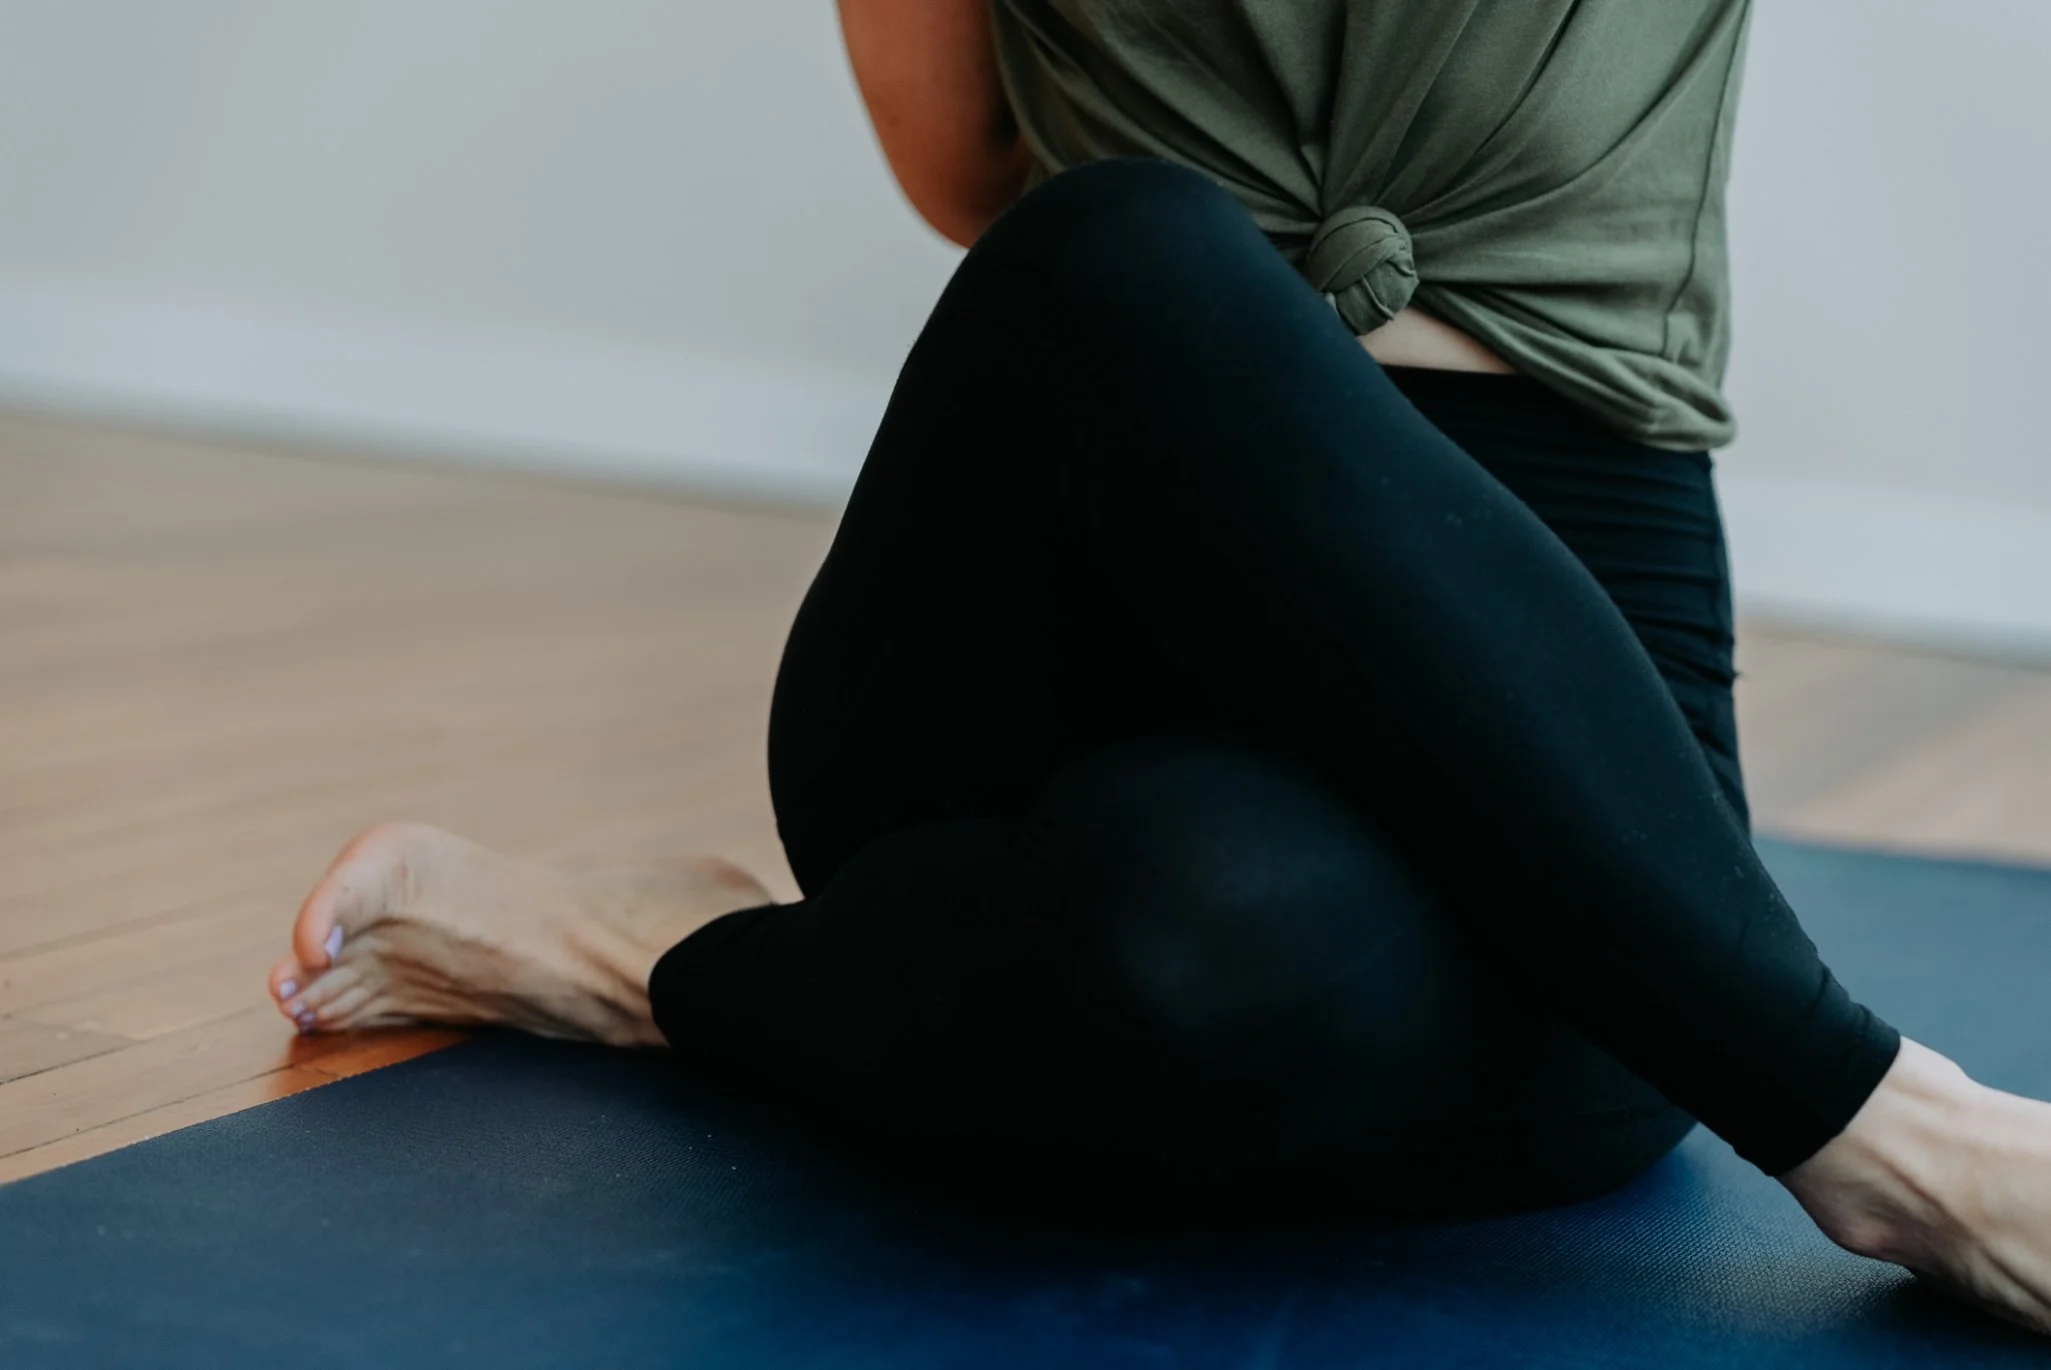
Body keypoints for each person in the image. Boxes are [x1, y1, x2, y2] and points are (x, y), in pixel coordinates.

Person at [266, 0, 2051, 1335]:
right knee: (1129, 239)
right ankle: (1894, 1137)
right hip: (1076, 583)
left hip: (1571, 604)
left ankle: (660, 962)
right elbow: (965, 167)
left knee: (1213, 937)